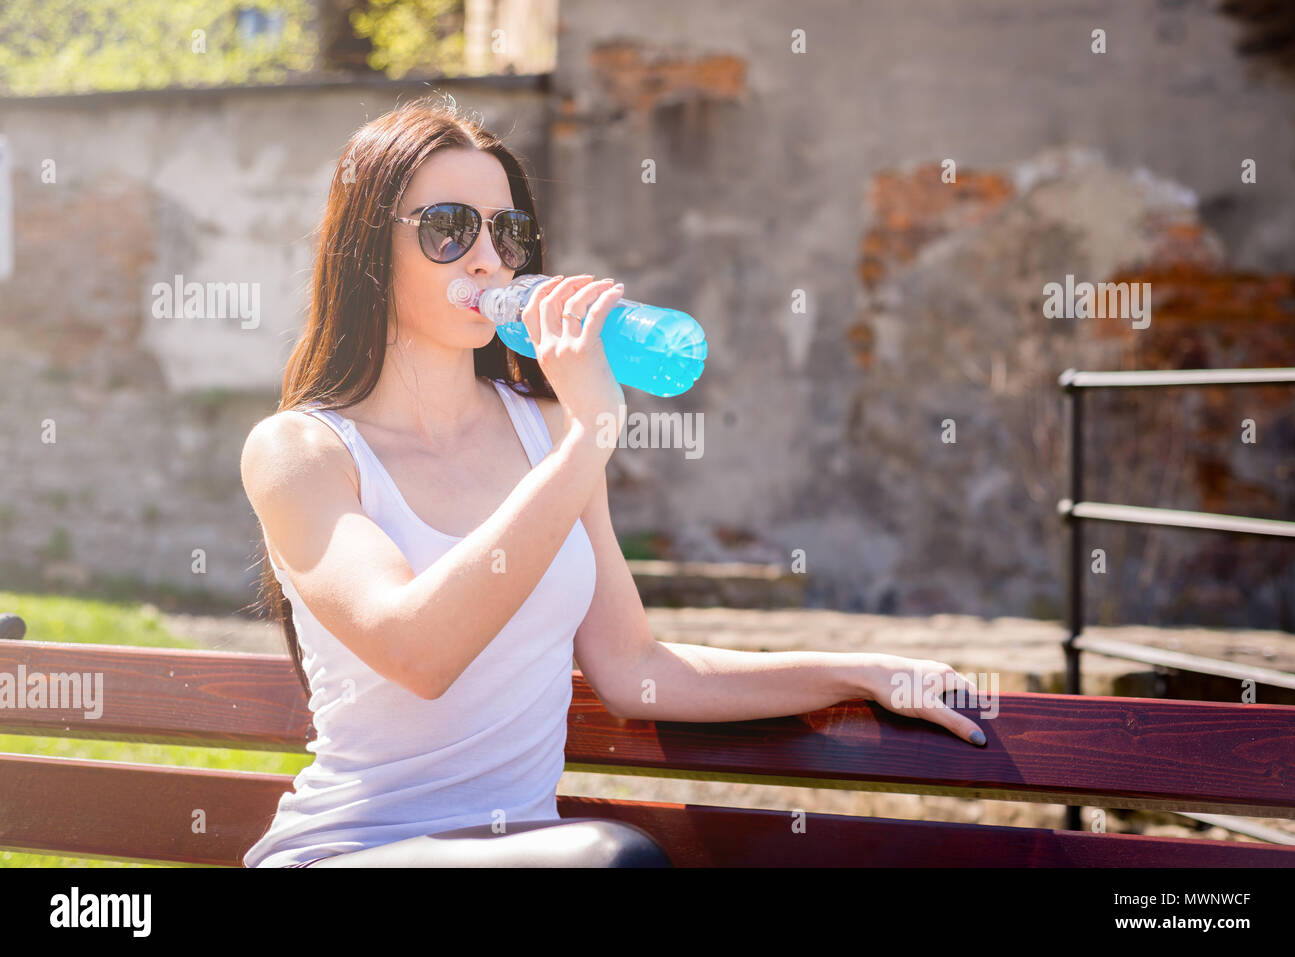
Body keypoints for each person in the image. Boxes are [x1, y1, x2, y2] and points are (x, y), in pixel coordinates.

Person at [239, 94, 985, 868]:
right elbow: (418, 651)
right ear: (367, 246)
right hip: (347, 852)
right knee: (611, 860)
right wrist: (587, 439)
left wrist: (856, 671)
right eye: (449, 228)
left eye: (509, 231)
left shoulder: (548, 429)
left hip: (521, 858)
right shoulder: (301, 451)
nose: (488, 259)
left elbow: (636, 670)